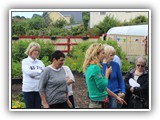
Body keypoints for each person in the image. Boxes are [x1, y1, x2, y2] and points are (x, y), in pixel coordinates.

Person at [83, 43, 127, 108]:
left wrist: (116, 96)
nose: (104, 56)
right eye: (103, 53)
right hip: (98, 104)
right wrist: (107, 74)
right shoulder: (95, 68)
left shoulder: (90, 66)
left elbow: (104, 88)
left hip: (98, 102)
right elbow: (102, 86)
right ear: (96, 54)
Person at [22, 42, 45, 108]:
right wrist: (40, 71)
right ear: (30, 50)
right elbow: (30, 73)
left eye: (38, 51)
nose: (36, 52)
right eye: (35, 50)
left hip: (38, 90)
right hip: (28, 90)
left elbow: (44, 74)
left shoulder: (40, 62)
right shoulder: (25, 61)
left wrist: (35, 74)